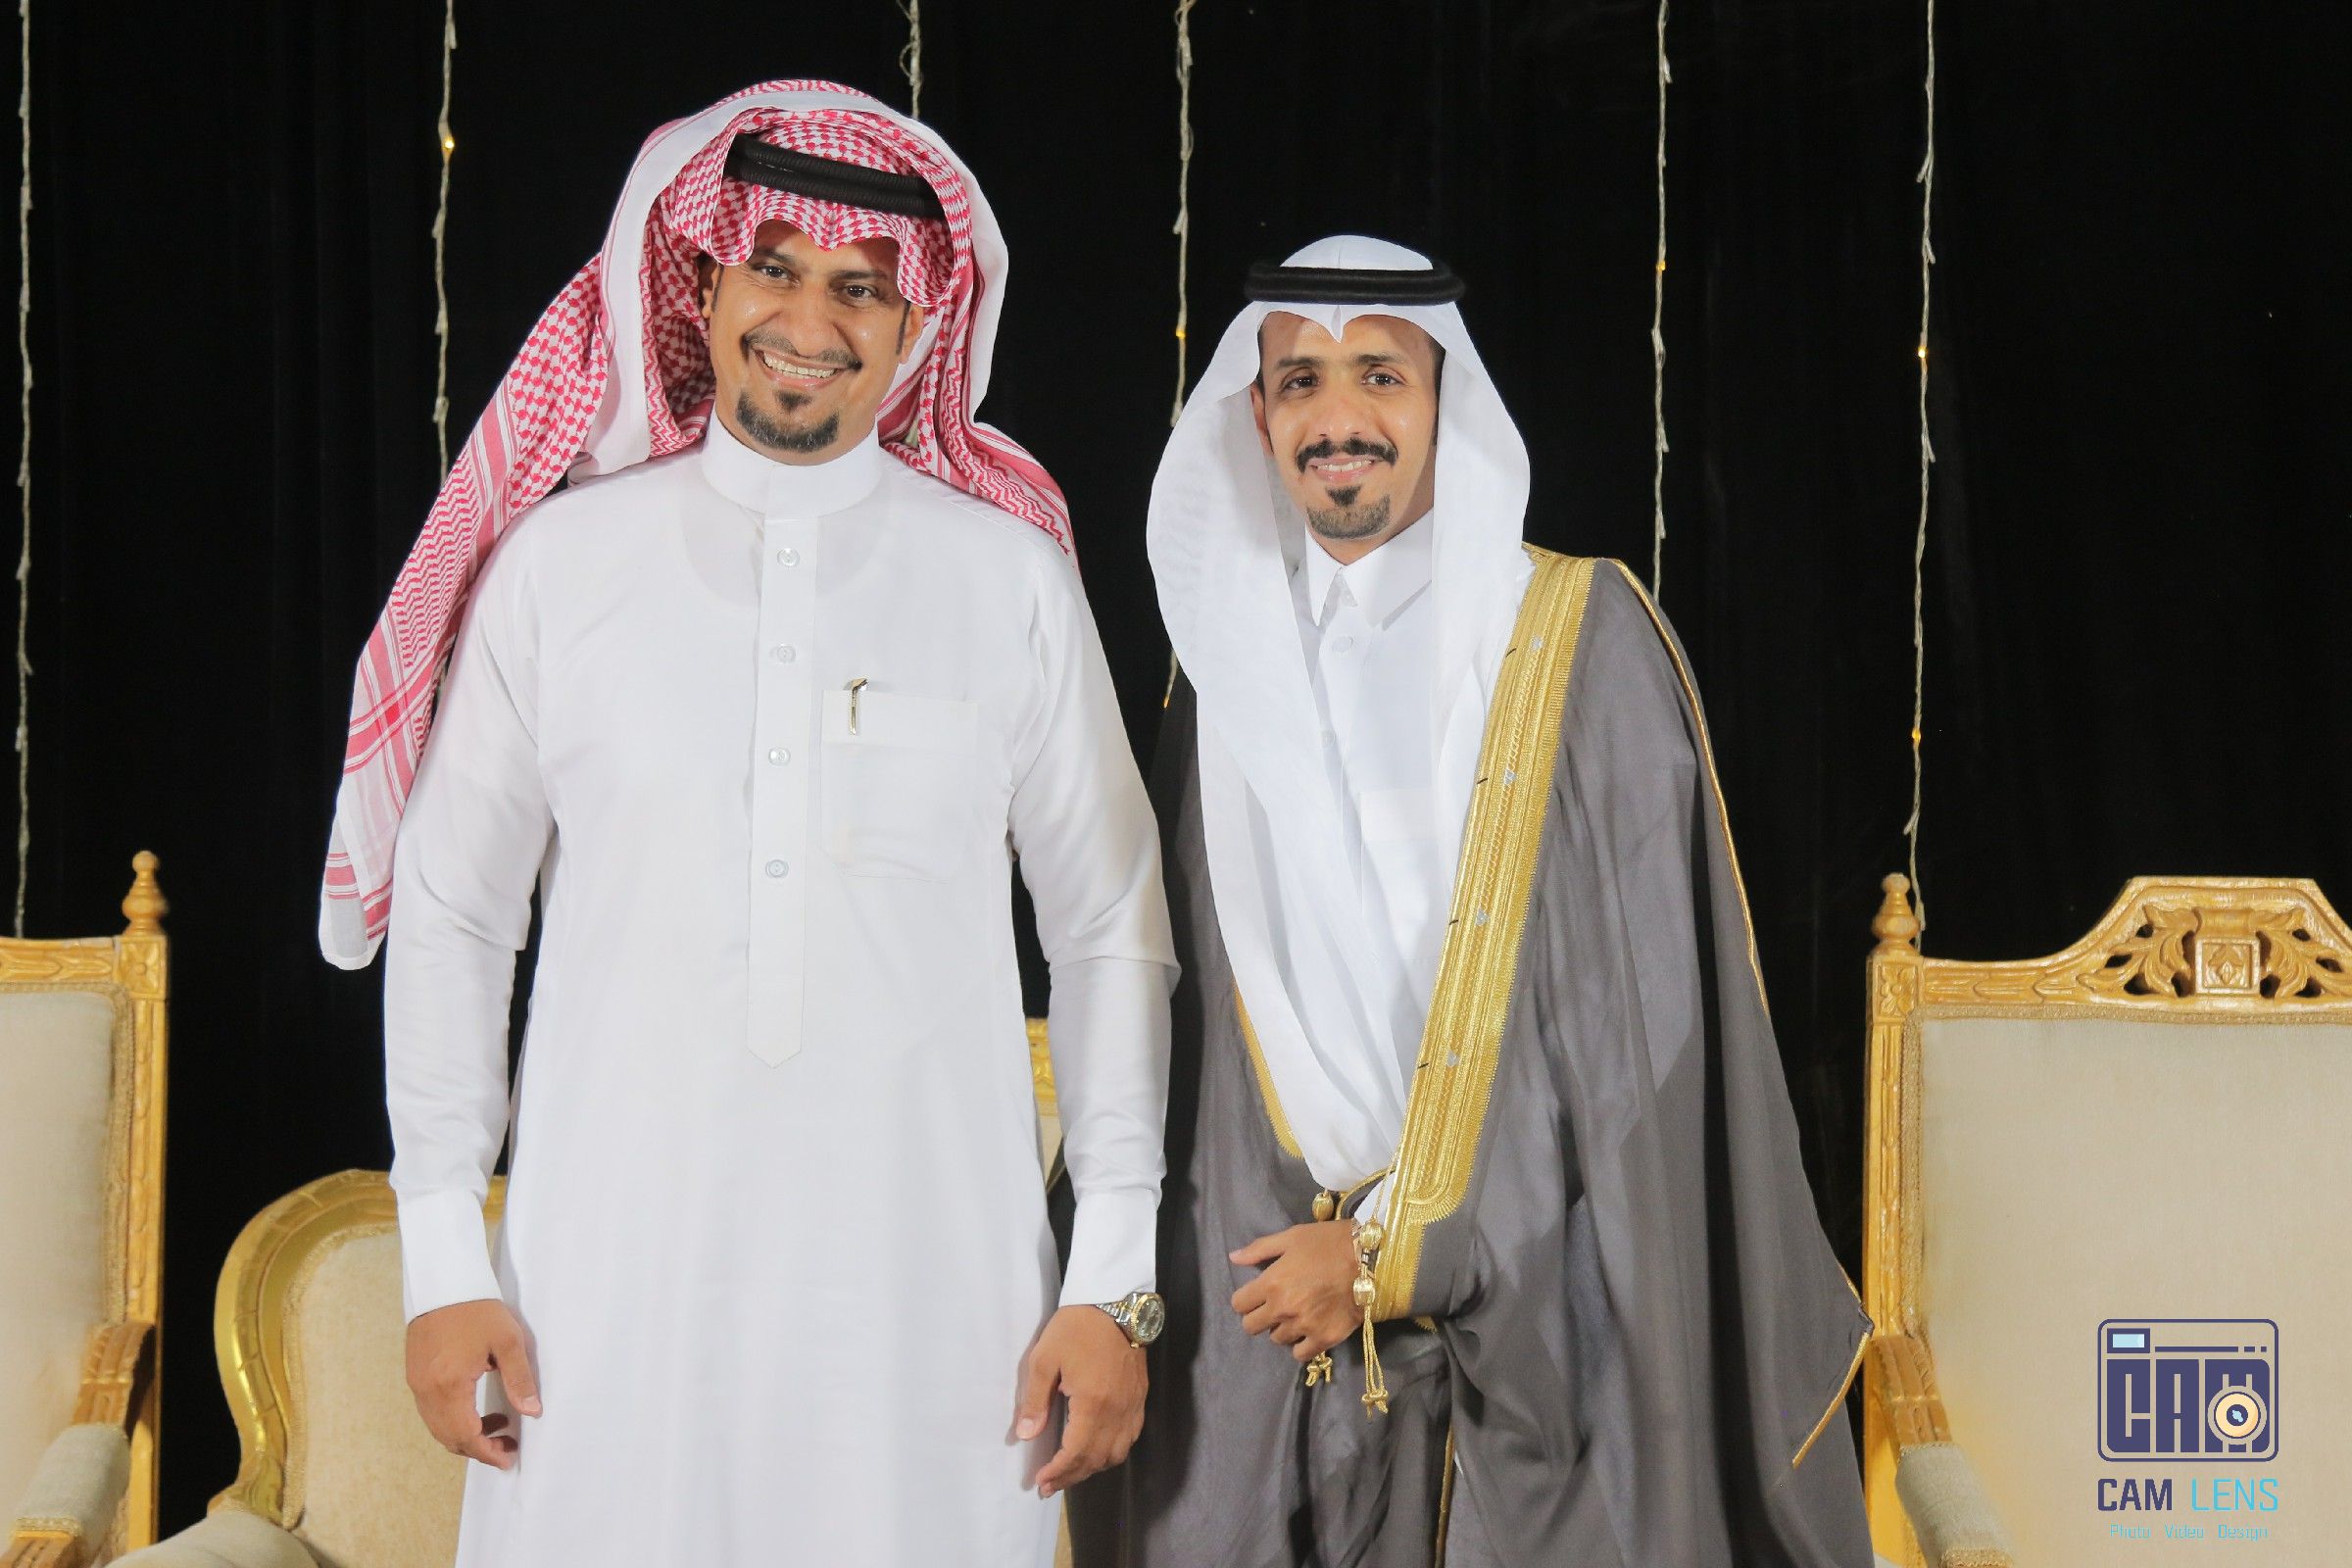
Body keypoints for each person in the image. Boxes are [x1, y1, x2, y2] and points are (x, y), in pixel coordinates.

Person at [318, 82, 1174, 1566]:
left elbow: (1110, 931)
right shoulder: (560, 569)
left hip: (934, 1322)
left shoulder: (1008, 580)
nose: (810, 320)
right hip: (603, 1311)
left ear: (916, 327)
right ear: (703, 287)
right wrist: (445, 1263)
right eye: (774, 268)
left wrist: (1109, 1281)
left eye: (860, 288)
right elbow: (455, 914)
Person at [1069, 236, 1875, 1565]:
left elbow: (1639, 1043)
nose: (1339, 417)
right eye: (1302, 379)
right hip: (1273, 1323)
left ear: (1447, 399)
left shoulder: (1575, 636)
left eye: (1381, 376)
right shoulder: (1218, 670)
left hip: (1555, 1326)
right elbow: (1201, 1039)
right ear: (1257, 415)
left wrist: (1400, 1250)